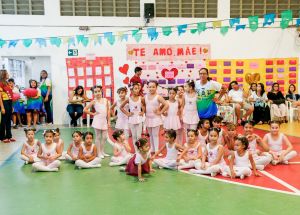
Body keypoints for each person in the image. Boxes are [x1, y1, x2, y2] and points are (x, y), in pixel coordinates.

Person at [84, 85, 110, 158]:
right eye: (95, 92)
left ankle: (102, 151)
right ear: (93, 93)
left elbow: (108, 111)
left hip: (104, 121)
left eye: (99, 91)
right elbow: (85, 109)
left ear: (101, 91)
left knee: (104, 137)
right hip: (97, 120)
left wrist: (109, 122)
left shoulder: (106, 100)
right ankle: (98, 153)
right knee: (98, 137)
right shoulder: (94, 101)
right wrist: (93, 113)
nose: (97, 93)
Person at [144, 81, 168, 153]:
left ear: (156, 87)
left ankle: (157, 150)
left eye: (153, 87)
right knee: (150, 135)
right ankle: (152, 149)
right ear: (148, 87)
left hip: (156, 118)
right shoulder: (145, 96)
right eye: (150, 87)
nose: (151, 88)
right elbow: (144, 105)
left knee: (155, 135)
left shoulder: (158, 97)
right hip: (148, 118)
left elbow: (166, 104)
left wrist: (160, 112)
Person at [120, 82, 145, 148]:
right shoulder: (129, 99)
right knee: (134, 136)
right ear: (131, 90)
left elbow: (144, 105)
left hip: (139, 119)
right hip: (131, 119)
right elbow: (121, 107)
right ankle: (136, 150)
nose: (137, 90)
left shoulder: (141, 98)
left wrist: (143, 112)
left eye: (138, 88)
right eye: (135, 88)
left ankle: (139, 149)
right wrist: (127, 113)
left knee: (139, 136)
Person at [0, 69, 16, 143]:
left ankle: (9, 136)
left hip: (9, 102)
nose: (8, 74)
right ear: (3, 74)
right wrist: (2, 107)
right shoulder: (0, 83)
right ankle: (2, 137)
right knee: (4, 120)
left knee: (9, 120)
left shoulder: (7, 83)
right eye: (7, 73)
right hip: (4, 102)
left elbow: (11, 95)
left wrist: (12, 106)